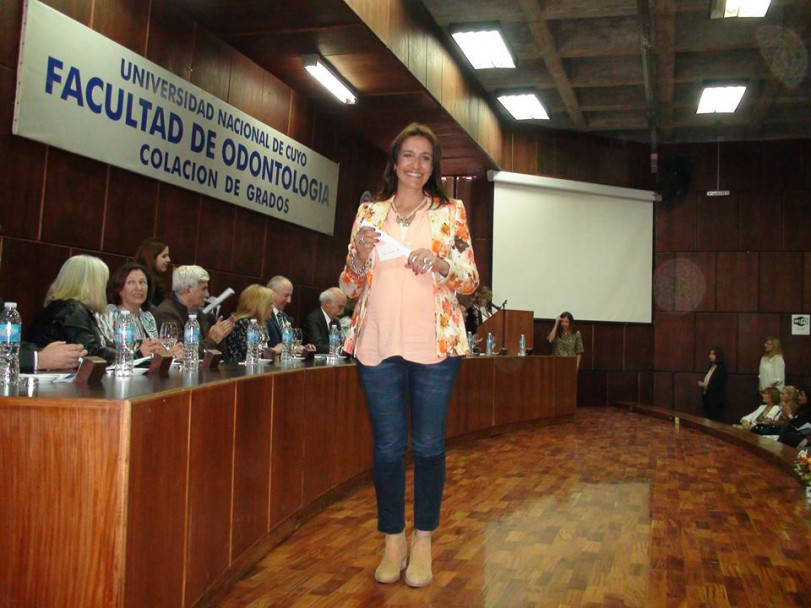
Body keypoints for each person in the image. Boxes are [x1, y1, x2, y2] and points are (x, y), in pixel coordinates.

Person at [339, 123, 479, 588]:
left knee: (428, 446)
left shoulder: (450, 212)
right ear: (394, 162)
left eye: (425, 158)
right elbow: (348, 285)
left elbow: (470, 281)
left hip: (434, 345)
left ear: (432, 167)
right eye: (408, 156)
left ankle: (423, 540)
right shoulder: (368, 212)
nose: (416, 165)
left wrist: (440, 262)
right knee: (386, 448)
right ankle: (392, 539)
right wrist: (358, 255)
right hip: (377, 342)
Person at [27, 255, 117, 363]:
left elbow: (102, 345)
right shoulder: (72, 310)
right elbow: (91, 353)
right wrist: (129, 357)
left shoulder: (66, 307)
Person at [97, 263, 182, 359]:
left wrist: (167, 352)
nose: (139, 288)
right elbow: (106, 352)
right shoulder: (109, 314)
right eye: (131, 282)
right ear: (119, 289)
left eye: (142, 282)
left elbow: (152, 353)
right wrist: (138, 353)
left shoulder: (147, 317)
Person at [153, 265, 235, 353]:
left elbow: (217, 354)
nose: (207, 294)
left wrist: (220, 335)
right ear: (188, 289)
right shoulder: (167, 313)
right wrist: (212, 340)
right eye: (203, 289)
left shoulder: (204, 315)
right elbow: (182, 353)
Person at [221, 284, 276, 363]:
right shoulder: (241, 324)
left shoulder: (263, 324)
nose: (273, 307)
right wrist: (275, 351)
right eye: (269, 304)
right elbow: (250, 352)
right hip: (238, 370)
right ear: (259, 305)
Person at [301, 287, 347, 354]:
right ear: (328, 303)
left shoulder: (335, 322)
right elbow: (318, 347)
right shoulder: (312, 320)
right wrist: (340, 348)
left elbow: (339, 343)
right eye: (340, 307)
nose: (342, 312)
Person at [134, 238, 172, 309]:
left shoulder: (155, 279)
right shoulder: (145, 280)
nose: (168, 260)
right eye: (164, 256)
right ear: (152, 258)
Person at [697, 346, 727, 422]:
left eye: (713, 354)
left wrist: (704, 385)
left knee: (713, 419)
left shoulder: (721, 368)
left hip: (715, 399)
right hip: (707, 397)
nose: (710, 356)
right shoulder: (711, 367)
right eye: (710, 354)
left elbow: (718, 385)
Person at [265, 275, 294, 347]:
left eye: (290, 296)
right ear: (271, 293)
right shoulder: (262, 315)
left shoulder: (285, 317)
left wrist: (297, 348)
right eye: (286, 295)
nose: (289, 300)